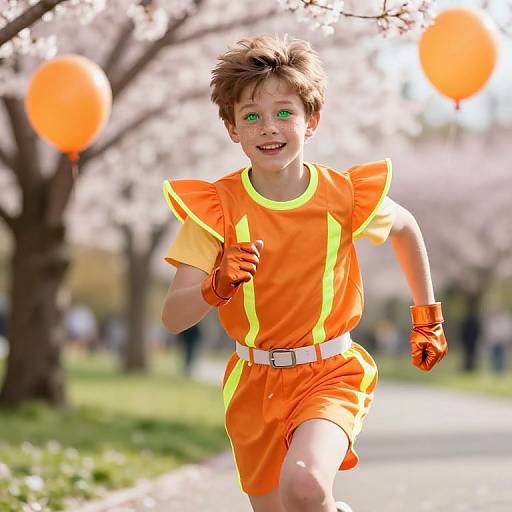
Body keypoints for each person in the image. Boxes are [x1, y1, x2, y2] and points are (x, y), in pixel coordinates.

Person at [161, 33, 447, 512]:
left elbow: (406, 228)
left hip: (331, 372)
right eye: (250, 116)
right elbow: (173, 316)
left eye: (284, 112)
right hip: (253, 383)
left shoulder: (344, 195)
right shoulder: (215, 211)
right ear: (232, 128)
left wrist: (428, 316)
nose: (268, 127)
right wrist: (216, 285)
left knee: (306, 486)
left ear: (311, 121)